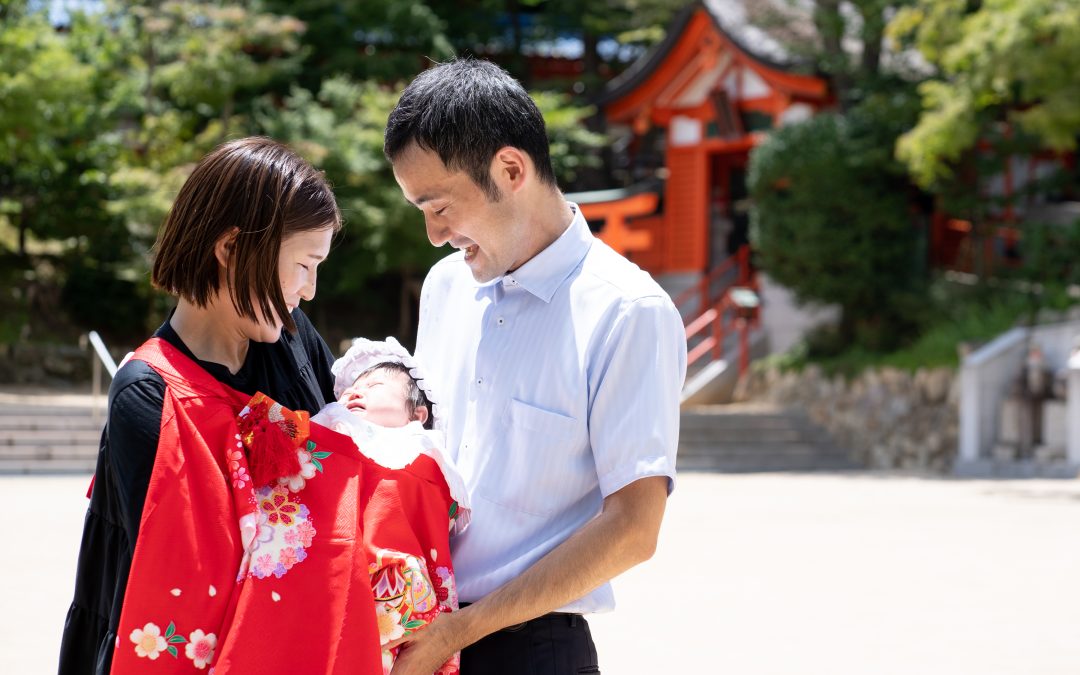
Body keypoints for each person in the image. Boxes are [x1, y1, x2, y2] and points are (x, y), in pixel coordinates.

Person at [382, 58, 688, 674]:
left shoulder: (628, 312)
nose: (433, 234)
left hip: (531, 646)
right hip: (420, 631)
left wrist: (460, 631)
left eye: (438, 205)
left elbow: (633, 529)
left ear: (511, 169)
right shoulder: (446, 287)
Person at [58, 137, 381, 674]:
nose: (310, 290)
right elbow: (196, 574)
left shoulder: (292, 339)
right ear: (230, 248)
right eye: (304, 264)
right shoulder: (148, 392)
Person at [312, 336, 471, 675]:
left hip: (399, 598)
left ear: (418, 413)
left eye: (374, 385)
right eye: (352, 387)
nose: (357, 391)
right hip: (331, 588)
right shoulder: (328, 437)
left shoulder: (421, 452)